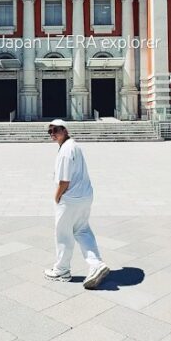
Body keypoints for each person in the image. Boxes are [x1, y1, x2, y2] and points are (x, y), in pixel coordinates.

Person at [44, 119, 110, 289]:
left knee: (63, 234)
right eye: (50, 131)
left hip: (70, 198)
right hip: (85, 196)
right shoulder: (74, 145)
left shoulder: (66, 150)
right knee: (82, 230)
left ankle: (61, 270)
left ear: (65, 130)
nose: (52, 134)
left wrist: (57, 197)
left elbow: (64, 181)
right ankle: (97, 264)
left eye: (56, 130)